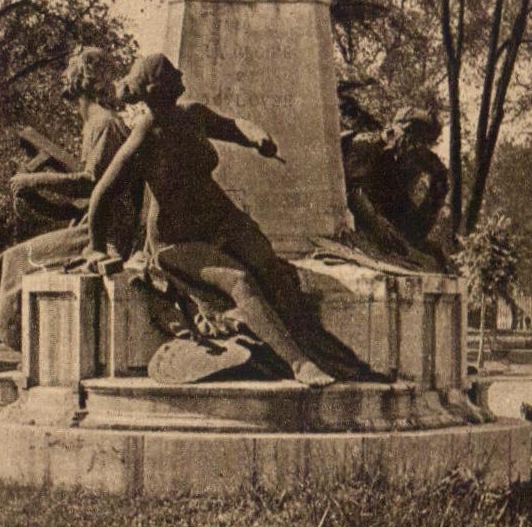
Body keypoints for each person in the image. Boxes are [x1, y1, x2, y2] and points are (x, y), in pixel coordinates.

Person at [83, 53, 368, 386]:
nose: (180, 74)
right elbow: (101, 193)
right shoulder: (144, 136)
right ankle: (299, 363)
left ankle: (319, 349)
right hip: (178, 240)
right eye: (171, 72)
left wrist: (257, 137)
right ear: (156, 87)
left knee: (269, 265)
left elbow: (233, 126)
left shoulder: (192, 114)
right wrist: (96, 248)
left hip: (221, 219)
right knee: (239, 280)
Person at [0, 48, 140, 350]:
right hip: (91, 226)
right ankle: (31, 348)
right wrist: (34, 197)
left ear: (82, 80)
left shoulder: (105, 123)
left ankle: (33, 350)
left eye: (70, 72)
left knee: (11, 261)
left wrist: (34, 180)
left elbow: (90, 184)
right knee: (8, 265)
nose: (64, 78)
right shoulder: (94, 124)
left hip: (106, 234)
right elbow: (71, 208)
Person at [343, 107, 452, 271]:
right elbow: (352, 191)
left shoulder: (408, 161)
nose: (417, 147)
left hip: (385, 225)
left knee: (435, 256)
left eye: (424, 142)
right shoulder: (367, 145)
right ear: (397, 130)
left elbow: (413, 230)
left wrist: (438, 188)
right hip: (359, 222)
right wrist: (377, 224)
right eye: (414, 138)